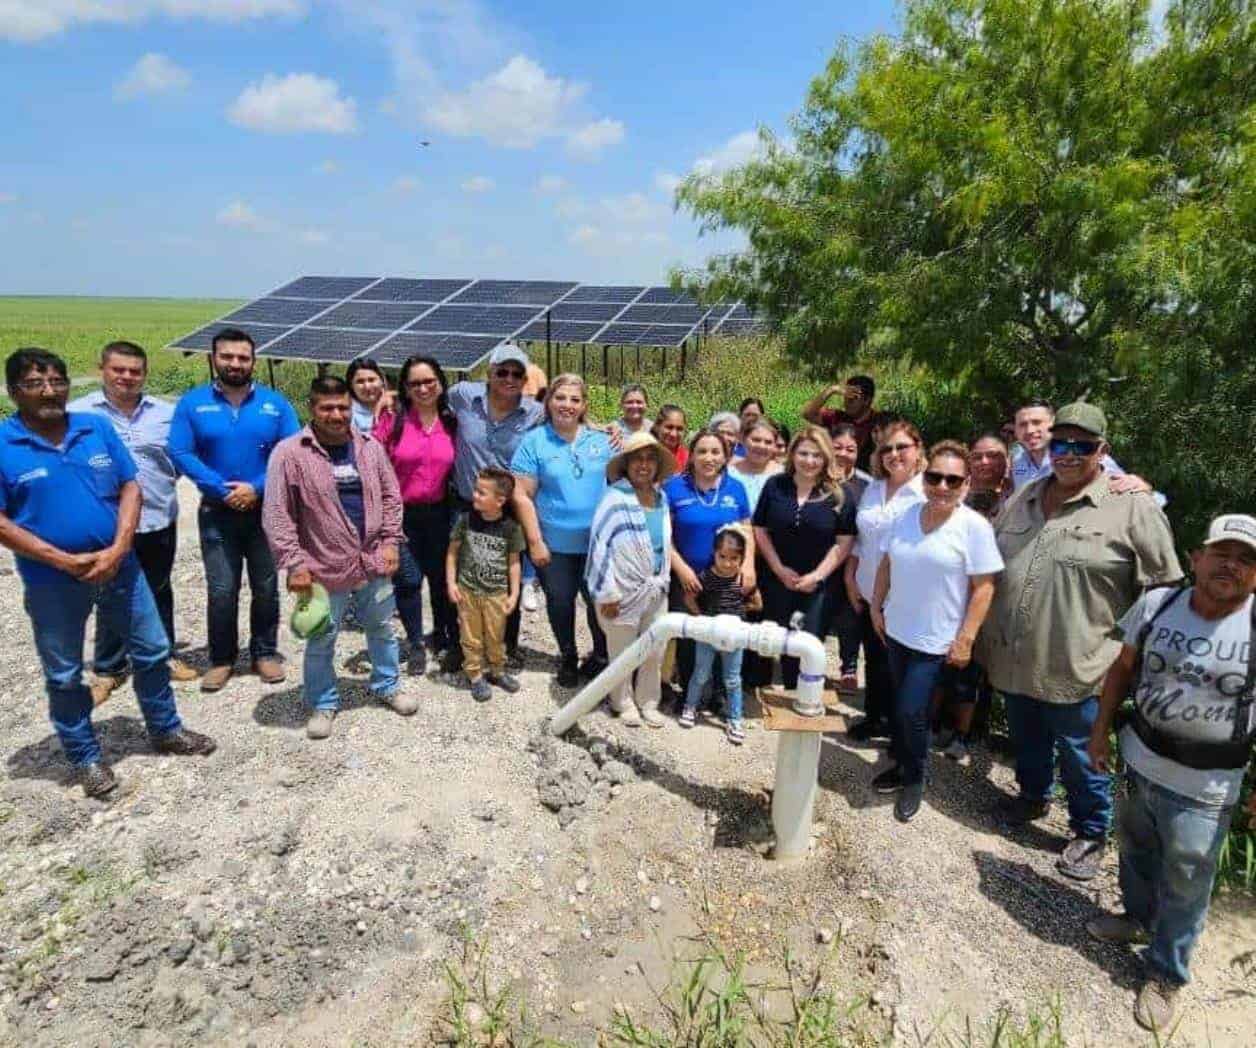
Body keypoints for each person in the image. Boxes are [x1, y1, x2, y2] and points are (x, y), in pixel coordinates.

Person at [980, 402, 1183, 880]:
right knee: (1027, 736)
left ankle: (1090, 832)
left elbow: (1164, 590)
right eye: (1060, 444)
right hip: (1015, 656)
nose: (1068, 454)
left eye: (1082, 446)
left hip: (1083, 663)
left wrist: (1136, 660)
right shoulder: (1025, 495)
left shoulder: (1132, 506)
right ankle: (1032, 797)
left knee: (1081, 752)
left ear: (1102, 450)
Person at [0, 349, 215, 797]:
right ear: (14, 391)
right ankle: (84, 757)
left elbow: (130, 486)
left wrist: (119, 547)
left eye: (57, 381)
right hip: (51, 578)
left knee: (152, 650)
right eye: (35, 384)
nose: (49, 391)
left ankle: (165, 728)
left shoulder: (94, 427)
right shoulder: (4, 443)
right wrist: (60, 559)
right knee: (64, 673)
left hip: (120, 564)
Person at [1085, 514, 1256, 1032]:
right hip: (1139, 759)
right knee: (1135, 850)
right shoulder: (1158, 603)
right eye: (1222, 553)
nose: (1231, 566)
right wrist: (1100, 731)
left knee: (1187, 879)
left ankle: (1165, 973)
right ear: (1196, 559)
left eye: (1246, 560)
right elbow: (1122, 668)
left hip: (1208, 784)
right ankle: (1138, 920)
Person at [263, 376, 413, 739]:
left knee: (381, 627)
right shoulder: (290, 453)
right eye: (327, 407)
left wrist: (391, 542)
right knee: (322, 638)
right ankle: (323, 701)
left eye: (343, 407)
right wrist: (294, 563)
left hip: (373, 561)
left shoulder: (369, 447)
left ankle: (387, 684)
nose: (336, 415)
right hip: (322, 566)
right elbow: (277, 513)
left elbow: (391, 496)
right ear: (312, 408)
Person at [870, 441, 1003, 822]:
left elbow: (984, 588)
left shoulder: (974, 527)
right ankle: (901, 761)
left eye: (953, 480)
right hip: (896, 629)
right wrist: (877, 606)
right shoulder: (906, 514)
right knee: (900, 705)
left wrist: (966, 638)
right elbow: (886, 562)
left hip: (935, 639)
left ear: (966, 484)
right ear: (925, 476)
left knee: (912, 710)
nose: (942, 486)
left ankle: (914, 777)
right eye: (935, 477)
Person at [169, 327, 299, 692]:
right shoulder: (192, 403)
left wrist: (256, 488)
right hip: (217, 511)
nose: (235, 363)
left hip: (265, 510)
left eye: (243, 357)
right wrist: (218, 488)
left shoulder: (275, 403)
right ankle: (222, 659)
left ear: (253, 361)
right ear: (214, 358)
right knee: (222, 589)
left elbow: (290, 450)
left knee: (266, 586)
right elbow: (180, 451)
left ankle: (264, 653)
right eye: (227, 356)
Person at [68, 341, 198, 703]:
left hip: (157, 517)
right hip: (104, 525)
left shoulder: (166, 413)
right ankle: (108, 669)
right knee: (111, 594)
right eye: (118, 369)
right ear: (102, 370)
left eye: (134, 371)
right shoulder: (77, 414)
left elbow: (179, 459)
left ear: (144, 374)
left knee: (159, 588)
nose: (126, 377)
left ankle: (164, 655)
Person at [447, 343, 545, 667]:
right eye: (502, 371)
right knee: (465, 577)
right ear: (489, 373)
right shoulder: (463, 395)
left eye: (517, 373)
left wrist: (610, 430)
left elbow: (570, 420)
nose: (509, 378)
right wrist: (387, 400)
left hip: (508, 509)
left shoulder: (535, 413)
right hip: (466, 504)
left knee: (504, 577)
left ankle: (505, 646)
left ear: (525, 379)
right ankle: (463, 646)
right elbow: (423, 399)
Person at [511, 373, 612, 687]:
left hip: (598, 546)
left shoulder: (603, 440)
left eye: (574, 399)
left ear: (584, 405)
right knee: (560, 602)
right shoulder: (534, 441)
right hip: (554, 546)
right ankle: (568, 655)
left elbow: (627, 478)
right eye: (560, 397)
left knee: (599, 602)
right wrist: (535, 541)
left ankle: (601, 656)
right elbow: (521, 495)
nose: (567, 405)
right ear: (549, 401)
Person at [754, 426, 856, 690]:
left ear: (826, 457)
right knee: (771, 639)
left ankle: (801, 696)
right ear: (792, 454)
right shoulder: (775, 485)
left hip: (818, 585)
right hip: (776, 578)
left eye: (817, 455)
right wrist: (778, 568)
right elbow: (760, 529)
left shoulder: (840, 494)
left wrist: (817, 576)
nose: (809, 461)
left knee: (806, 645)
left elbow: (844, 542)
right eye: (803, 453)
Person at [375, 355, 458, 676]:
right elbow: (373, 460)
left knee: (440, 580)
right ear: (405, 388)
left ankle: (443, 636)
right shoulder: (393, 421)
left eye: (429, 381)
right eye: (415, 383)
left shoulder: (452, 421)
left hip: (440, 513)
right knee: (408, 581)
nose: (423, 389)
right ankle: (415, 643)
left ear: (440, 383)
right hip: (402, 515)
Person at [844, 420, 926, 742]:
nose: (894, 454)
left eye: (902, 447)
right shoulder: (873, 488)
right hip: (867, 592)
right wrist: (850, 578)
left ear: (917, 449)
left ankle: (899, 732)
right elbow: (861, 539)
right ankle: (874, 716)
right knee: (875, 660)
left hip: (902, 597)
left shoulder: (926, 492)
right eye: (887, 449)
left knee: (899, 667)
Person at [586, 431, 676, 727]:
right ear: (626, 464)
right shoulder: (614, 498)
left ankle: (648, 701)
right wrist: (607, 593)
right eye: (637, 459)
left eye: (650, 459)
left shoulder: (661, 498)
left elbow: (664, 544)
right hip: (621, 590)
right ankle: (621, 701)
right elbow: (599, 546)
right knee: (622, 651)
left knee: (654, 649)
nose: (644, 465)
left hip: (656, 587)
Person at [664, 429, 754, 703]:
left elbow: (747, 530)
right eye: (702, 451)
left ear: (726, 456)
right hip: (687, 579)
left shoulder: (735, 488)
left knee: (725, 635)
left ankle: (719, 693)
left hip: (725, 580)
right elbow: (664, 536)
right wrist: (681, 568)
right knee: (689, 636)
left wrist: (749, 567)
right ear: (691, 455)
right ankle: (689, 694)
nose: (709, 457)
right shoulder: (674, 488)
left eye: (716, 452)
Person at [447, 468, 525, 702]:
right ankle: (475, 674)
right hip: (468, 591)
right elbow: (452, 553)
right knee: (470, 636)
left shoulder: (511, 528)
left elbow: (514, 564)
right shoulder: (465, 520)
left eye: (481, 492)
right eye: (475, 490)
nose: (475, 495)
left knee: (495, 636)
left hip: (496, 594)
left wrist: (514, 594)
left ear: (500, 500)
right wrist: (451, 583)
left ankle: (497, 671)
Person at [681, 528, 761, 743]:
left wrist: (739, 614)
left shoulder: (743, 580)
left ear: (742, 558)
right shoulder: (706, 576)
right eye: (722, 557)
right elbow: (689, 598)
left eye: (734, 558)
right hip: (707, 634)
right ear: (714, 554)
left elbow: (757, 603)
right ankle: (690, 707)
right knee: (700, 673)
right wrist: (702, 618)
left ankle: (735, 719)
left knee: (733, 680)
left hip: (734, 637)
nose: (727, 563)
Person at [1009, 399, 1150, 494]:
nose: (1030, 430)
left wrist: (1142, 487)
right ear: (1015, 429)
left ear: (1052, 425)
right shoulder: (1017, 461)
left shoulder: (1084, 456)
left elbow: (1136, 490)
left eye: (1037, 422)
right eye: (1022, 425)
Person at [826, 423, 871, 692]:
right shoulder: (817, 478)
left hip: (853, 562)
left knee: (849, 616)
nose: (843, 453)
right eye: (837, 447)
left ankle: (849, 668)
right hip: (819, 560)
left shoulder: (868, 485)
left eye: (850, 449)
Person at [802, 374, 878, 471]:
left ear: (867, 400)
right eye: (846, 397)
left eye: (853, 398)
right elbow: (808, 414)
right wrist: (832, 390)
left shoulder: (878, 421)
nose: (847, 402)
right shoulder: (836, 417)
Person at [729, 417, 783, 512]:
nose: (761, 446)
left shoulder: (784, 475)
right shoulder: (729, 474)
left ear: (775, 445)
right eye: (756, 440)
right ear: (743, 440)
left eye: (768, 442)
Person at [346, 358, 391, 432]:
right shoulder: (347, 415)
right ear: (351, 385)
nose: (367, 387)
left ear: (382, 381)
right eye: (360, 381)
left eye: (371, 380)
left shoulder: (396, 408)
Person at [651, 404, 689, 471]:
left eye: (679, 429)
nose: (673, 434)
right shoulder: (644, 455)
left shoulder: (688, 460)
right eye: (669, 427)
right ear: (657, 427)